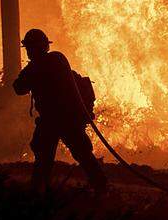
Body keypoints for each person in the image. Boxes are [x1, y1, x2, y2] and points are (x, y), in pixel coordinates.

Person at [13, 28, 107, 193]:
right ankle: (101, 186)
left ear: (36, 48)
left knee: (44, 157)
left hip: (54, 120)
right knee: (81, 154)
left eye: (29, 47)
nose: (28, 51)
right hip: (68, 119)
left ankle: (38, 191)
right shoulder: (58, 63)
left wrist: (30, 71)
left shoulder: (38, 67)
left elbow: (19, 87)